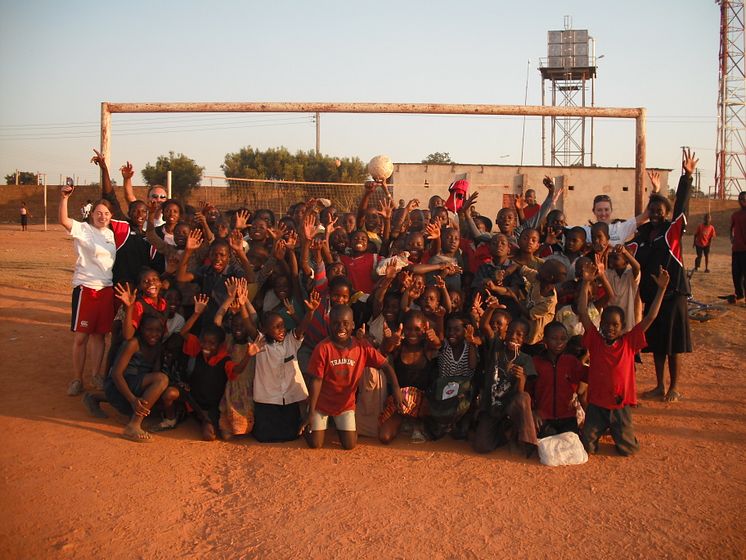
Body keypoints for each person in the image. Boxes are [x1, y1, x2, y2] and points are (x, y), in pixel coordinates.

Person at [578, 262, 670, 456]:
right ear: (600, 323)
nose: (610, 328)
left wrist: (661, 290)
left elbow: (650, 317)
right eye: (606, 324)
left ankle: (620, 431)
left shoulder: (629, 342)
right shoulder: (595, 339)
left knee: (628, 450)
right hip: (596, 405)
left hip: (620, 406)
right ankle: (604, 430)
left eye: (615, 325)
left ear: (623, 327)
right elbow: (583, 312)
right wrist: (586, 283)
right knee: (587, 448)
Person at [634, 149, 696, 402]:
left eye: (661, 209)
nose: (657, 212)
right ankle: (659, 385)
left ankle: (674, 387)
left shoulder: (672, 232)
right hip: (652, 297)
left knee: (673, 346)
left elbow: (681, 205)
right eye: (653, 209)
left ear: (667, 212)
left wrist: (687, 176)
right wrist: (654, 190)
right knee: (657, 345)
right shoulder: (643, 234)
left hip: (672, 295)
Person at [304, 305, 403, 450]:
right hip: (321, 404)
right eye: (336, 323)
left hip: (345, 405)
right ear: (329, 325)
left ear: (353, 325)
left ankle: (339, 426)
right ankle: (309, 423)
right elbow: (316, 380)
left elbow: (386, 366)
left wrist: (396, 389)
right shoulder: (323, 348)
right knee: (315, 444)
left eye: (345, 323)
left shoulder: (362, 346)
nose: (341, 327)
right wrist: (311, 410)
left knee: (349, 445)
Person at [58, 182, 124, 396]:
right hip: (86, 289)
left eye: (106, 213)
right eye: (98, 212)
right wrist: (65, 198)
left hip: (106, 289)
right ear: (91, 214)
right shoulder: (83, 229)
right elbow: (63, 221)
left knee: (99, 336)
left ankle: (96, 374)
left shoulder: (111, 234)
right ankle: (77, 379)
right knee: (81, 337)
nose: (102, 216)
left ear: (110, 216)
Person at [104, 315, 172, 443]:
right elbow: (116, 374)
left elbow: (154, 373)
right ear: (141, 329)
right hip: (118, 386)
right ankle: (133, 425)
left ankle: (95, 397)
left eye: (158, 331)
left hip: (133, 387)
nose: (154, 334)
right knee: (162, 379)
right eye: (149, 330)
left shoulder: (158, 347)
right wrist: (133, 399)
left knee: (164, 395)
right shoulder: (133, 343)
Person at [729, 191, 746, 304]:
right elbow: (731, 227)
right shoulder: (735, 215)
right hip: (736, 249)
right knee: (736, 274)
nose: (742, 201)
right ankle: (739, 295)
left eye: (744, 199)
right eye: (740, 199)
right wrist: (731, 237)